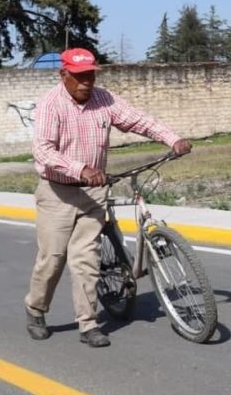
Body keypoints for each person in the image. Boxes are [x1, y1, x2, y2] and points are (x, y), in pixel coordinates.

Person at [25, 48, 192, 347]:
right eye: (79, 76)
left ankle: (88, 323)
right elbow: (43, 150)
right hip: (57, 192)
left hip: (93, 192)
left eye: (90, 75)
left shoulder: (104, 99)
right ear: (63, 75)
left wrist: (172, 138)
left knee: (86, 258)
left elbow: (138, 120)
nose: (86, 82)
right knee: (52, 259)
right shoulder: (51, 104)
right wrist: (80, 169)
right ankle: (36, 310)